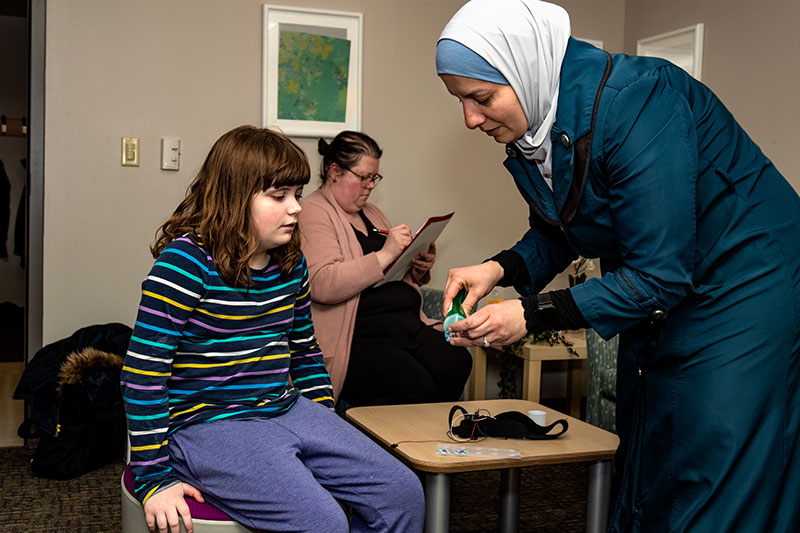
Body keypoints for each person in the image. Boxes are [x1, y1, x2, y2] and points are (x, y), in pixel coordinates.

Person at [435, 1, 800, 531]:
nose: (470, 118)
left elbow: (658, 276)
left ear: (525, 70)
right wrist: (497, 268)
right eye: (460, 101)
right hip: (660, 281)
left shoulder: (638, 100)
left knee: (712, 451)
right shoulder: (537, 129)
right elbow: (562, 230)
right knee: (650, 437)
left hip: (745, 279)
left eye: (482, 97)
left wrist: (530, 315)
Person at [121, 125, 425, 533]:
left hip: (284, 406)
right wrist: (153, 478)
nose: (296, 207)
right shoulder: (184, 265)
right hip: (206, 423)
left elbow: (304, 353)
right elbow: (142, 374)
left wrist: (325, 425)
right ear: (233, 197)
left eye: (297, 195)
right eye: (278, 196)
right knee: (324, 522)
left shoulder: (290, 263)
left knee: (403, 492)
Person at [299, 130, 472, 407]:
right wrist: (386, 253)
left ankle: (429, 439)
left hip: (403, 325)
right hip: (360, 335)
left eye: (374, 178)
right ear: (334, 171)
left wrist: (417, 267)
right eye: (363, 177)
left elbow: (392, 270)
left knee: (457, 361)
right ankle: (399, 444)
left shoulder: (372, 213)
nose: (370, 186)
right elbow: (322, 283)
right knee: (413, 383)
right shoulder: (313, 212)